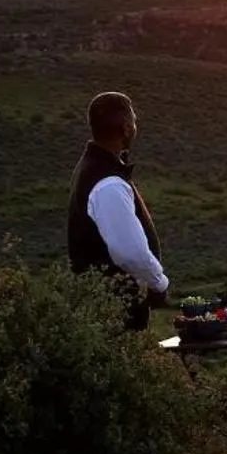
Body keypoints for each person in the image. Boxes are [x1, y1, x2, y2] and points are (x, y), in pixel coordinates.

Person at [66, 90, 170, 330]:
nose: (135, 126)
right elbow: (130, 252)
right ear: (125, 127)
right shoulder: (108, 183)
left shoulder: (92, 169)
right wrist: (159, 282)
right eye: (133, 120)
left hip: (102, 308)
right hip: (114, 314)